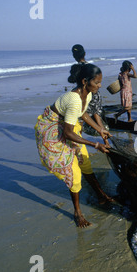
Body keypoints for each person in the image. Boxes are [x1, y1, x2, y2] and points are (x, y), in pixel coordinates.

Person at [35, 63, 115, 228]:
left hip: (67, 127)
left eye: (100, 82)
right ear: (85, 81)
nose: (99, 86)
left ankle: (101, 196)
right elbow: (68, 133)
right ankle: (77, 212)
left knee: (84, 161)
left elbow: (83, 113)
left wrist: (100, 129)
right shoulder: (74, 100)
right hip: (54, 131)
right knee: (74, 173)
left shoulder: (88, 95)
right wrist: (95, 144)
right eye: (97, 83)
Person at [71, 44, 110, 137]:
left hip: (84, 93)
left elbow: (74, 81)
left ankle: (79, 140)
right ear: (84, 54)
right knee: (98, 117)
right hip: (95, 94)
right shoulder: (91, 66)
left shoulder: (77, 68)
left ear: (73, 55)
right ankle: (106, 141)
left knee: (80, 119)